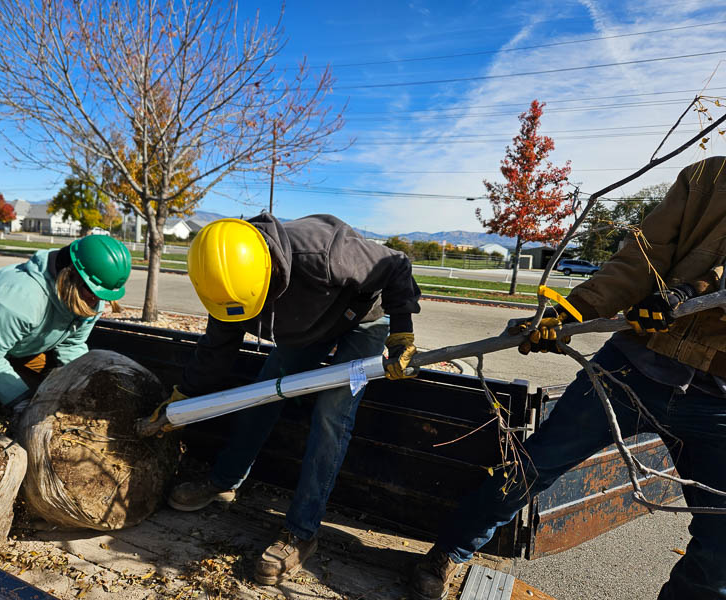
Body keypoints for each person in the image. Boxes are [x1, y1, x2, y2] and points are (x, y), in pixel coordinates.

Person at [409, 156, 726, 600]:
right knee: (532, 466)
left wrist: (699, 291)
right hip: (633, 367)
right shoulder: (709, 177)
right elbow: (641, 256)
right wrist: (573, 311)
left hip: (718, 400)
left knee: (722, 541)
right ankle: (449, 551)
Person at [166, 213, 421, 585]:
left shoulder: (322, 252)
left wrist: (402, 332)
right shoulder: (227, 281)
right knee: (261, 393)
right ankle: (225, 480)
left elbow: (396, 264)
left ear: (269, 272)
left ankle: (302, 531)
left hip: (363, 317)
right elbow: (216, 350)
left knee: (332, 414)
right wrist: (183, 396)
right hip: (308, 326)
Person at [0, 235, 132, 424]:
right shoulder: (21, 300)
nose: (99, 300)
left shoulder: (88, 298)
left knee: (49, 385)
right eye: (94, 292)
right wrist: (21, 401)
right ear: (70, 275)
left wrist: (82, 386)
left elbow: (72, 344)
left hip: (2, 338)